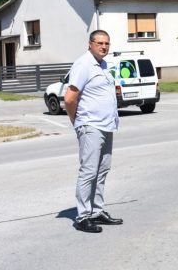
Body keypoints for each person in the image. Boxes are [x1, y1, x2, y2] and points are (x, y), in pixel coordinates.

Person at [65, 30, 123, 232]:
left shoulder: (103, 65)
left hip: (106, 125)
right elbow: (70, 98)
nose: (104, 47)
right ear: (90, 44)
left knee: (102, 170)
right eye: (99, 43)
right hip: (91, 125)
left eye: (107, 43)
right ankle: (82, 217)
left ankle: (96, 211)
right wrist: (77, 121)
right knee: (88, 171)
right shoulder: (84, 64)